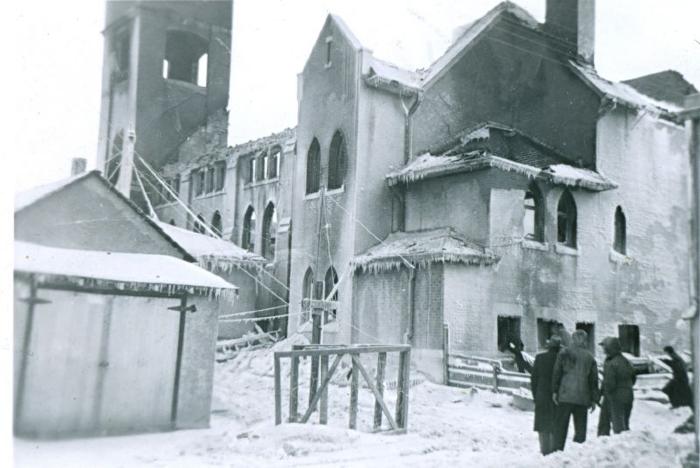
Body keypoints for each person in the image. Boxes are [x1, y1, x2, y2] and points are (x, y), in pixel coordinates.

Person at [551, 329, 599, 451]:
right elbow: (593, 381)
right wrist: (594, 399)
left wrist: (555, 391)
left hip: (565, 395)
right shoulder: (590, 357)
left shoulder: (564, 353)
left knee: (560, 427)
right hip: (582, 398)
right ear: (585, 341)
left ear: (573, 339)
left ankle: (557, 452)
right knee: (580, 429)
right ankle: (578, 456)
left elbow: (557, 373)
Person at [530, 335, 562, 455]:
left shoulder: (540, 358)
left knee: (542, 426)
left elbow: (534, 380)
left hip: (542, 395)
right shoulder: (562, 359)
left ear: (549, 346)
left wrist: (535, 396)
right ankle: (554, 453)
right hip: (557, 396)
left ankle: (544, 452)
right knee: (556, 424)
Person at [597, 337, 636, 436]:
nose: (603, 349)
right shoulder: (626, 361)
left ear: (610, 348)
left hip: (615, 397)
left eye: (604, 347)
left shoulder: (611, 363)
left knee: (616, 427)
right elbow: (633, 378)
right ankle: (626, 445)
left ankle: (607, 445)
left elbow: (609, 383)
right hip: (628, 396)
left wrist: (602, 393)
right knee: (624, 424)